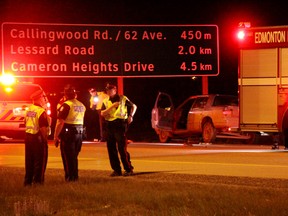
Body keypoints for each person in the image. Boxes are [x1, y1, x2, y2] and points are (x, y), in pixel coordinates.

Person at [101, 83, 137, 176]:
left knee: (122, 148)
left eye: (110, 90)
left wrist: (131, 116)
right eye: (107, 90)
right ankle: (116, 170)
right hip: (109, 125)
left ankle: (128, 169)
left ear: (115, 90)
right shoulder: (105, 101)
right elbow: (102, 113)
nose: (108, 91)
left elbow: (134, 106)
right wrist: (112, 106)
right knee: (111, 149)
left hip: (120, 124)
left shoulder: (123, 98)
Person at [54, 84, 86, 181]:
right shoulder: (81, 105)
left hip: (69, 133)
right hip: (79, 133)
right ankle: (75, 176)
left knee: (68, 157)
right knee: (74, 156)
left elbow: (60, 122)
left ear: (66, 95)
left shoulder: (66, 105)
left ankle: (70, 177)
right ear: (75, 94)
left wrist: (56, 136)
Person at [24, 89, 50, 186]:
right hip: (38, 138)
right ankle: (38, 182)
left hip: (28, 137)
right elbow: (43, 128)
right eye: (43, 97)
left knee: (29, 160)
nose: (44, 99)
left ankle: (28, 181)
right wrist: (45, 139)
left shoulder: (29, 109)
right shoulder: (40, 111)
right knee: (40, 161)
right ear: (39, 99)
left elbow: (25, 122)